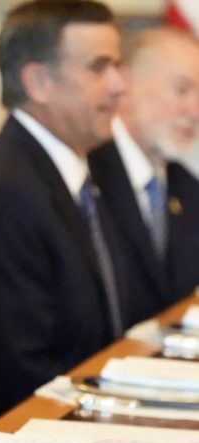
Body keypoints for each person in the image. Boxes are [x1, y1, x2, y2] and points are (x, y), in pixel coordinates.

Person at [0, 0, 128, 436]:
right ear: (38, 82)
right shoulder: (3, 195)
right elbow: (23, 377)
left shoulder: (74, 172)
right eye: (99, 67)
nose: (119, 85)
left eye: (117, 66)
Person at [89, 27, 199, 323]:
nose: (195, 110)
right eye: (181, 90)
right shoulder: (85, 175)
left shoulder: (189, 189)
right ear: (126, 86)